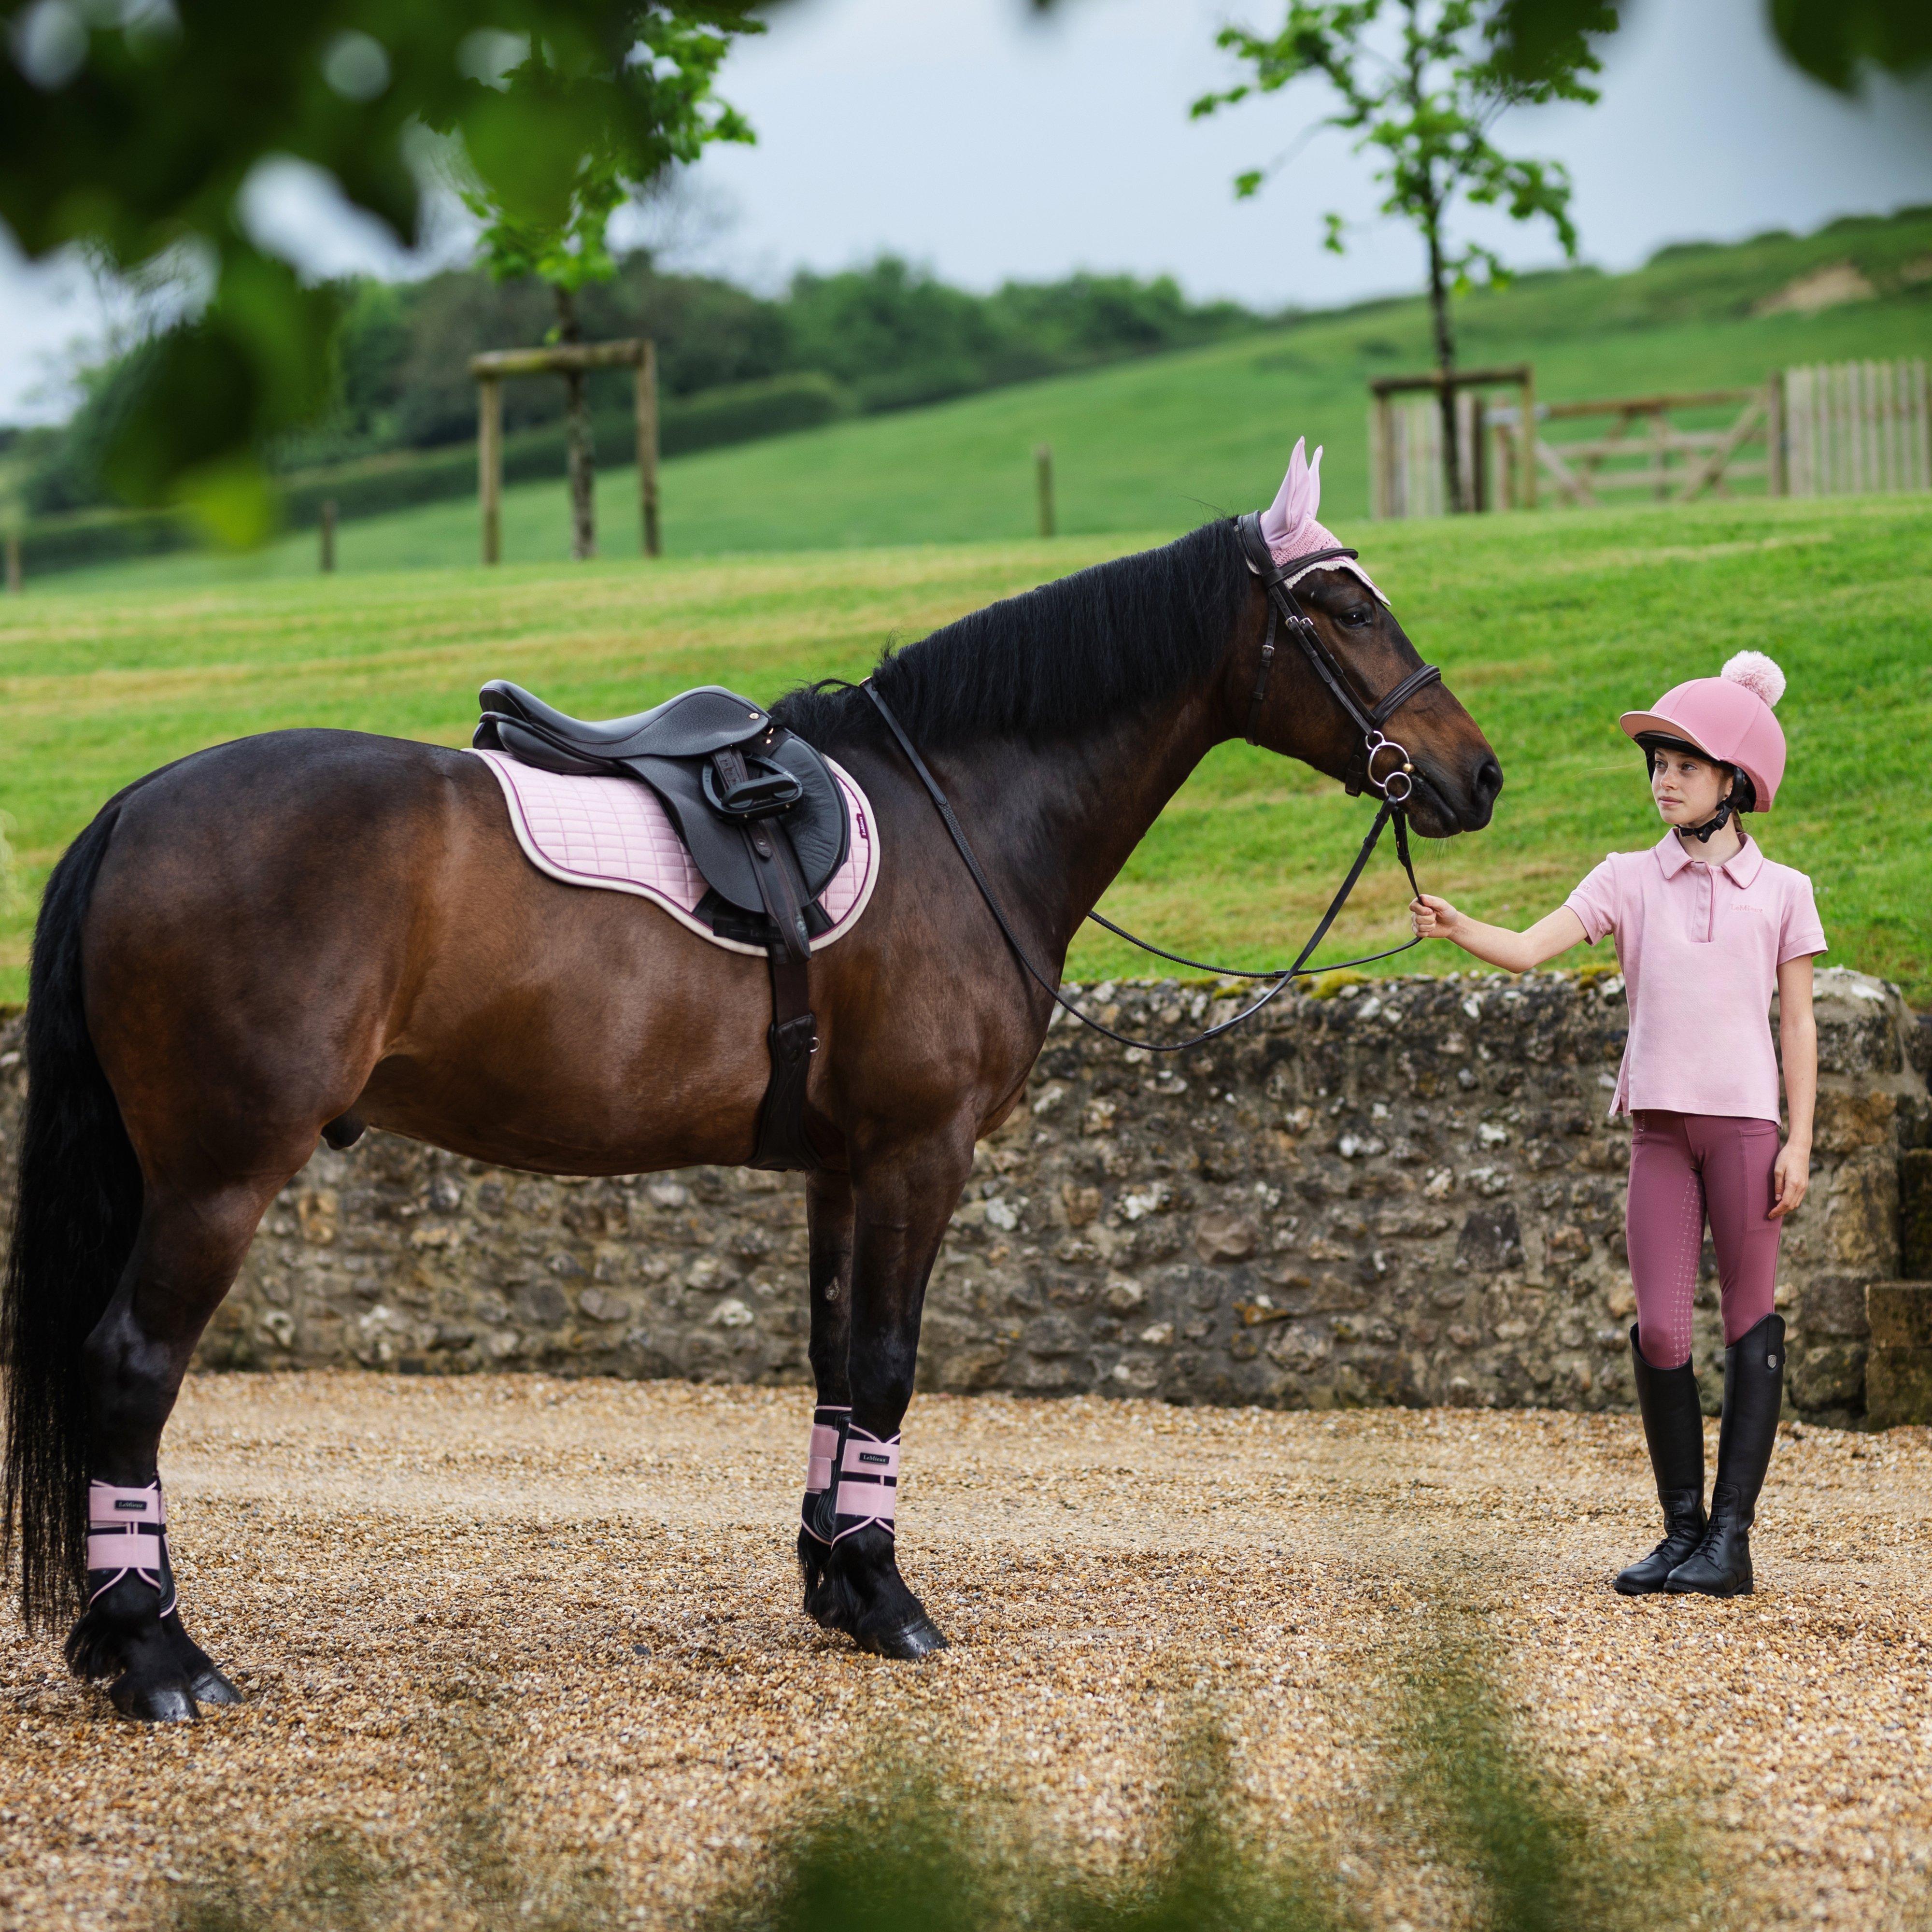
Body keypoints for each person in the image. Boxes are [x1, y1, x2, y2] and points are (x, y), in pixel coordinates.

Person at [1409, 653, 1824, 1599]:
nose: (1662, 778)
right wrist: (1458, 922)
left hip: (1746, 1134)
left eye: (1682, 763)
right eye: (1654, 763)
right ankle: (1681, 1531)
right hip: (1657, 1134)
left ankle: (1731, 1539)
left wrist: (1798, 1140)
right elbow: (1526, 948)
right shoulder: (1625, 879)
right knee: (1661, 1333)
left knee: (1748, 1322)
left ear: (1732, 782)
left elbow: (1796, 1022)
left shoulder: (1783, 891)